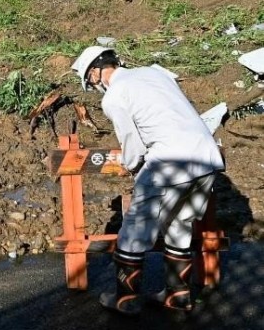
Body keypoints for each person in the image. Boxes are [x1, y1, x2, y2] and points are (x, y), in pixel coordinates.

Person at [70, 46, 225, 315]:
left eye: (91, 79)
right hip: (206, 158)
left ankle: (125, 299)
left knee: (133, 233)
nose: (94, 85)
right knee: (180, 227)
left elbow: (131, 142)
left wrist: (134, 167)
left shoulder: (114, 95)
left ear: (96, 72)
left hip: (168, 162)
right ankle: (178, 296)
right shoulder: (155, 73)